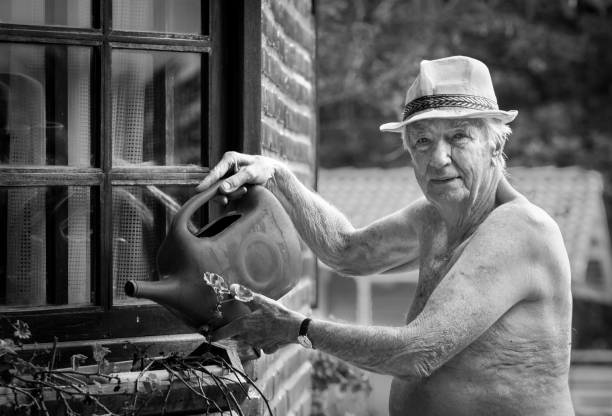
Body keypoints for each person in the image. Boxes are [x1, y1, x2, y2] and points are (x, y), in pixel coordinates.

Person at [196, 56, 575, 415]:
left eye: (458, 136)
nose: (438, 158)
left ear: (495, 144)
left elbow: (417, 353)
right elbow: (347, 250)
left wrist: (296, 329)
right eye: (423, 141)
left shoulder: (520, 229)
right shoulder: (435, 218)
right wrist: (276, 174)